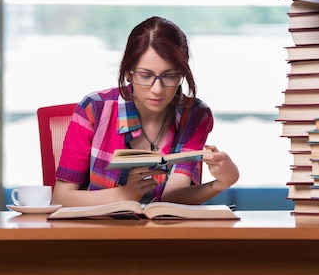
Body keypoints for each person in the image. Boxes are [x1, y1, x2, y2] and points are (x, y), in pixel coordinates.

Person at [52, 16, 239, 207]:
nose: (157, 89)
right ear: (127, 72)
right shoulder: (94, 108)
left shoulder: (196, 115)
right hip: (100, 232)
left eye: (170, 76)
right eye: (145, 75)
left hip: (166, 233)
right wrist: (125, 194)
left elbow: (171, 198)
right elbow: (61, 198)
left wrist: (222, 183)